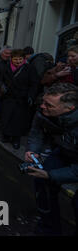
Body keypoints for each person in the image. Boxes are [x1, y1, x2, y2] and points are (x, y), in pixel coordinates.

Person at [24, 83, 78, 235]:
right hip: (64, 151)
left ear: (69, 109)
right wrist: (32, 150)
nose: (42, 106)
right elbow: (36, 131)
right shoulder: (44, 110)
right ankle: (48, 228)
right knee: (41, 181)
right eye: (43, 102)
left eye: (48, 105)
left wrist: (51, 175)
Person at [0, 49, 38, 149]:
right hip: (9, 97)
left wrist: (31, 96)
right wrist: (1, 86)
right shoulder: (6, 67)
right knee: (6, 117)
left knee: (18, 120)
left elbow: (34, 83)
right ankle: (6, 135)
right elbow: (0, 79)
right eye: (15, 59)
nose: (18, 61)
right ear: (11, 59)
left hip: (22, 98)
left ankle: (16, 139)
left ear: (24, 59)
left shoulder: (29, 68)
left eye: (20, 59)